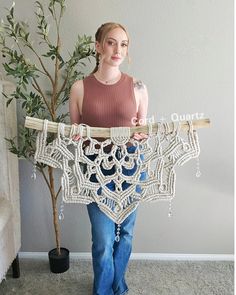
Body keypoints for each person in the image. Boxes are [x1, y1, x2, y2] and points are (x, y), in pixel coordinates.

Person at [69, 22, 149, 295]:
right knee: (103, 239)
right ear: (98, 46)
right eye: (112, 42)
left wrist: (141, 135)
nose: (118, 49)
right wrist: (77, 137)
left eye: (124, 44)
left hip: (130, 167)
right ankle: (102, 290)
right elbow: (76, 137)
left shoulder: (138, 87)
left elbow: (142, 130)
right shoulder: (79, 88)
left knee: (125, 235)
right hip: (96, 169)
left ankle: (119, 286)